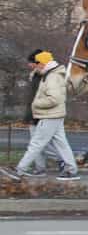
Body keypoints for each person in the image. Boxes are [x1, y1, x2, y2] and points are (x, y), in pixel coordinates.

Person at [0, 50, 80, 182]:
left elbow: (54, 99)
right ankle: (72, 170)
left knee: (36, 144)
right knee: (61, 144)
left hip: (49, 115)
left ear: (42, 64)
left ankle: (19, 171)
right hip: (55, 115)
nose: (35, 67)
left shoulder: (52, 77)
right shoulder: (51, 74)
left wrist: (36, 103)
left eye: (37, 64)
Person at [21, 49, 63, 177]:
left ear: (38, 62)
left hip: (40, 113)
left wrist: (36, 111)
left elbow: (45, 97)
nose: (29, 65)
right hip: (34, 113)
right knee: (38, 143)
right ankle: (42, 167)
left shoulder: (44, 76)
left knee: (38, 144)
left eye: (31, 62)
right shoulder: (36, 75)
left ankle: (60, 160)